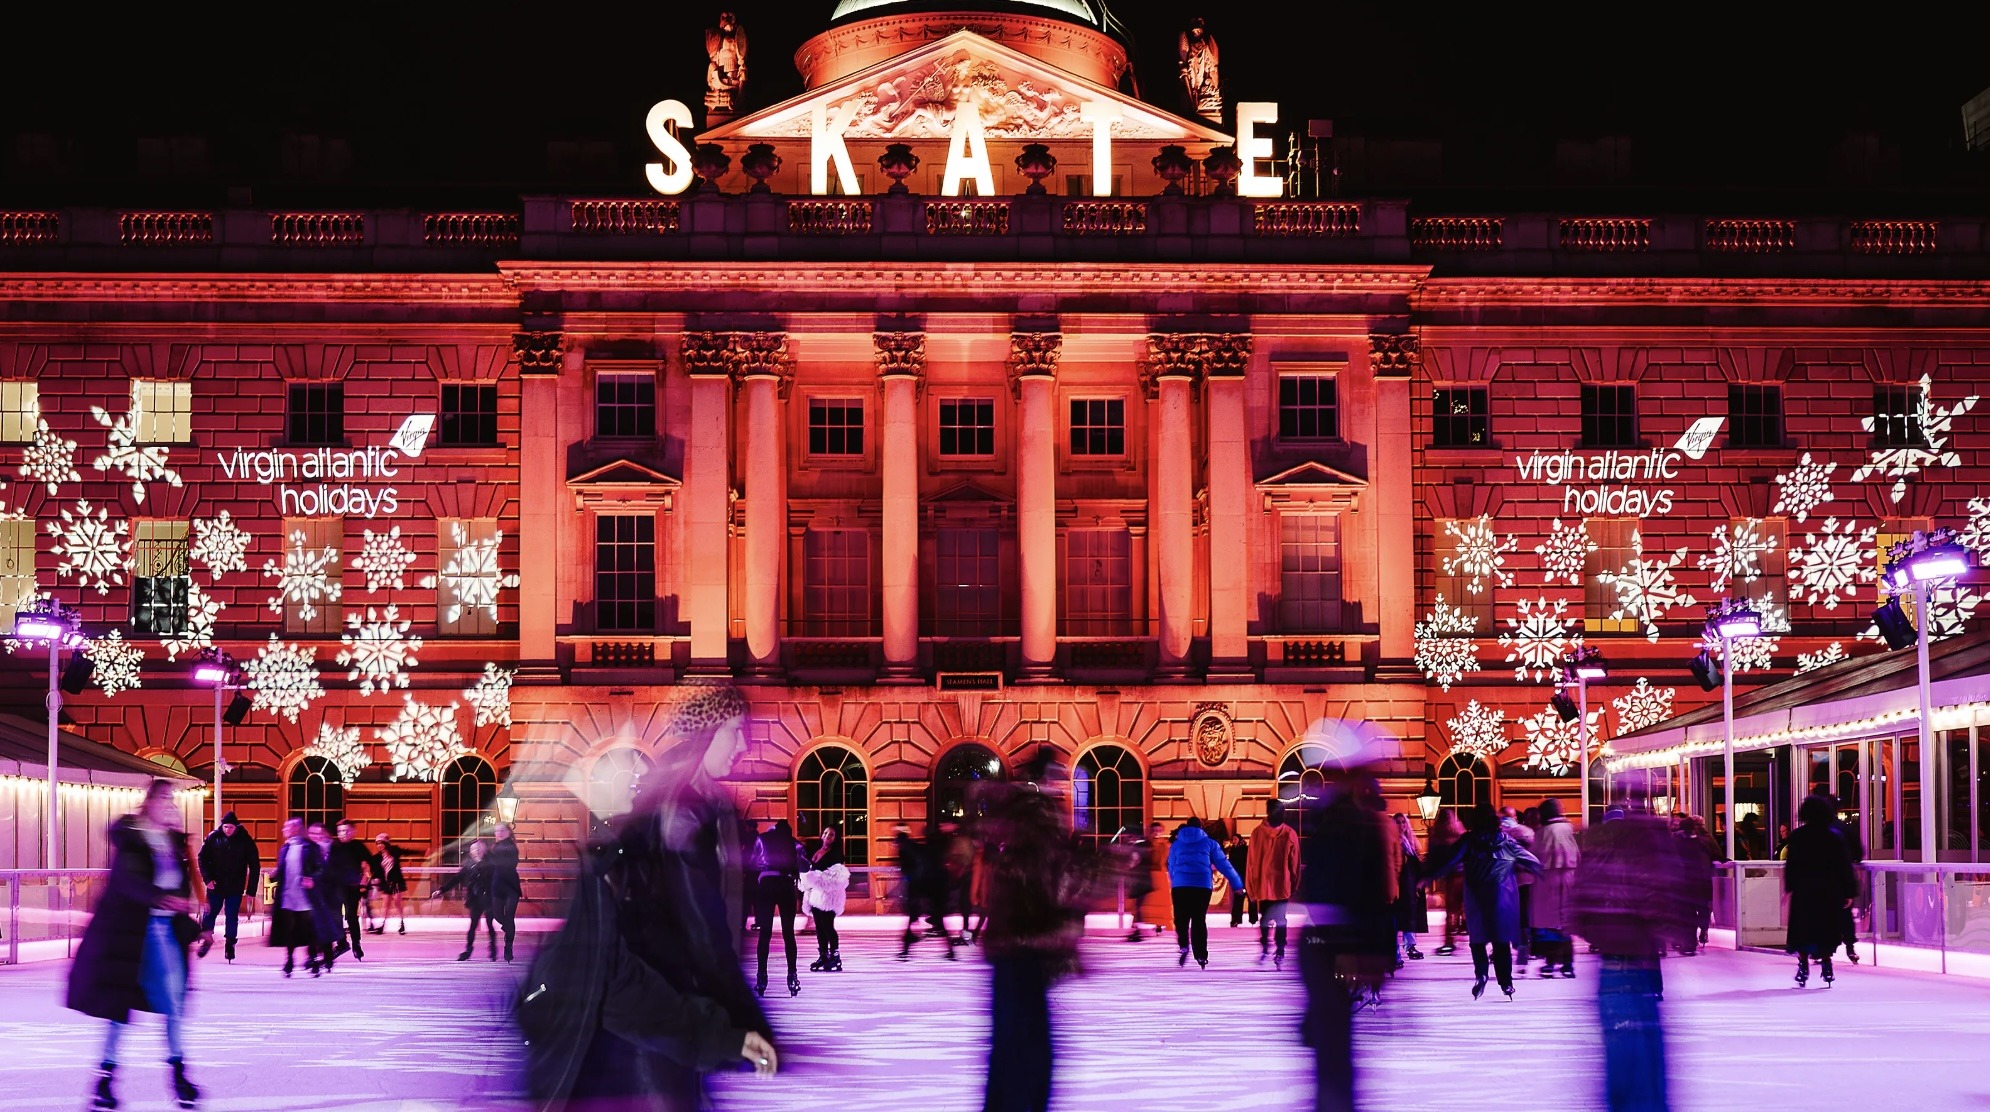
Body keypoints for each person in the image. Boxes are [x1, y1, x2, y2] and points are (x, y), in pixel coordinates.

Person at [518, 682, 779, 1110]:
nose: (744, 744)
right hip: (650, 1029)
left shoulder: (680, 804)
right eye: (735, 729)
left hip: (657, 1018)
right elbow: (703, 931)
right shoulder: (684, 811)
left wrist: (725, 1033)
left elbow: (636, 969)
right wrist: (740, 1022)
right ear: (706, 732)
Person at [67, 779, 203, 1111]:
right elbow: (128, 882)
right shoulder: (132, 837)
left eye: (174, 799)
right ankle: (104, 1081)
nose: (172, 804)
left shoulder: (171, 841)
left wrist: (190, 922)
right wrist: (162, 898)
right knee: (119, 1008)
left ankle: (179, 1076)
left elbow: (180, 888)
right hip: (131, 933)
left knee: (173, 1002)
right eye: (167, 798)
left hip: (164, 933)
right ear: (151, 801)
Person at [977, 747, 1089, 1112]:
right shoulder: (1036, 820)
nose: (1060, 785)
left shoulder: (1023, 820)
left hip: (1015, 949)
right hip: (1023, 949)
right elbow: (1048, 886)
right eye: (1056, 777)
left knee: (1016, 1050)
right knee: (1029, 1054)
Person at [1571, 787, 1691, 1112]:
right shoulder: (1649, 844)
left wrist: (1601, 931)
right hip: (1639, 959)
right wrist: (1664, 930)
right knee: (1644, 1055)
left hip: (1611, 963)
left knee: (1620, 1051)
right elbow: (1664, 897)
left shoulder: (1594, 846)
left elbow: (1577, 908)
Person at [1296, 773, 1394, 1112]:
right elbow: (1361, 892)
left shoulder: (1340, 820)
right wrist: (1362, 949)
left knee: (1333, 1042)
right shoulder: (1351, 822)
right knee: (1335, 1046)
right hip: (1334, 944)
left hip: (1326, 942)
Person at [1426, 802, 1541, 1000]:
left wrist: (1427, 878)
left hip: (1476, 896)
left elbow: (1450, 861)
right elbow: (1530, 859)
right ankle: (1506, 983)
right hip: (1501, 896)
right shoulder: (1506, 841)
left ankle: (1481, 975)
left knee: (1478, 940)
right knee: (1501, 941)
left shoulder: (1467, 841)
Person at [1784, 793, 1858, 987]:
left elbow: (1791, 864)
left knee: (1803, 927)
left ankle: (1803, 965)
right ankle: (1826, 963)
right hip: (1829, 889)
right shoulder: (1834, 837)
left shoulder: (1798, 836)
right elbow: (1844, 866)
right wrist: (1848, 891)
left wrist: (1789, 887)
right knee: (1825, 927)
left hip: (1804, 889)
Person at [1165, 816, 1244, 969]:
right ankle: (1201, 954)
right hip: (1202, 886)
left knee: (1181, 918)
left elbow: (1171, 865)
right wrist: (1237, 884)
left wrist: (1176, 880)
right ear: (1201, 828)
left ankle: (1183, 945)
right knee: (1198, 920)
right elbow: (1224, 865)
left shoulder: (1176, 844)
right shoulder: (1210, 843)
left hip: (1181, 886)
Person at [749, 818, 807, 996]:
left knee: (764, 933)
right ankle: (792, 975)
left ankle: (761, 976)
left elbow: (752, 861)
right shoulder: (794, 843)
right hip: (786, 884)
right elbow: (805, 865)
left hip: (767, 883)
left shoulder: (762, 838)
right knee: (788, 933)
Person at [268, 816, 331, 977]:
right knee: (290, 930)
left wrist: (312, 879)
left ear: (295, 828)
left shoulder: (310, 848)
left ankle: (314, 959)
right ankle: (289, 960)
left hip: (306, 897)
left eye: (286, 827)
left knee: (309, 930)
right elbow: (282, 870)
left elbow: (320, 869)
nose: (283, 830)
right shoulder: (285, 848)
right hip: (288, 896)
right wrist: (275, 875)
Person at [195, 811, 259, 963]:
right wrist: (207, 879)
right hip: (215, 885)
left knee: (232, 916)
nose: (227, 830)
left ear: (236, 827)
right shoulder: (213, 838)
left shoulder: (245, 841)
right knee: (209, 914)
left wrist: (251, 890)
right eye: (225, 827)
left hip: (235, 886)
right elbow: (202, 858)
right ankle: (207, 939)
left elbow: (255, 866)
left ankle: (230, 943)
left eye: (230, 827)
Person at [1529, 797, 1581, 977]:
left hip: (1548, 881)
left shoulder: (1543, 832)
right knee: (1564, 924)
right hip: (1568, 877)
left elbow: (1534, 857)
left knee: (1549, 925)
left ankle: (1551, 962)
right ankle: (1568, 964)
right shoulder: (1569, 829)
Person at [1248, 799, 1302, 969]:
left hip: (1263, 884)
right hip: (1282, 884)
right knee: (1280, 919)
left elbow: (1251, 862)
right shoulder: (1290, 833)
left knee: (1264, 919)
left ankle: (1265, 947)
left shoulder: (1257, 833)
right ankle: (1280, 950)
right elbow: (1295, 862)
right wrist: (1294, 883)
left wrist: (1251, 887)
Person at [895, 822, 957, 961]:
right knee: (939, 922)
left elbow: (911, 856)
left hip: (923, 887)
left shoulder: (921, 850)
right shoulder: (936, 851)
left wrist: (903, 840)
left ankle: (905, 950)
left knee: (913, 920)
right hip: (933, 889)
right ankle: (950, 951)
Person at [799, 825, 849, 972]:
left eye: (832, 834)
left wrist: (814, 878)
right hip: (815, 895)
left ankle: (835, 956)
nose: (828, 836)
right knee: (820, 928)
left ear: (836, 838)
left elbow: (834, 876)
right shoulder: (816, 851)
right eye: (826, 833)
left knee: (828, 926)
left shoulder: (836, 854)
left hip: (829, 896)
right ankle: (823, 955)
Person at [437, 839, 494, 961]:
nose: (475, 852)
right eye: (473, 849)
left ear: (483, 850)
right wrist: (441, 890)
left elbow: (494, 879)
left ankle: (493, 948)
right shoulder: (468, 865)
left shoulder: (490, 864)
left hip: (489, 898)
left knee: (489, 924)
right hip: (475, 899)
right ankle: (468, 949)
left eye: (478, 849)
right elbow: (456, 879)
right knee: (473, 925)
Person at [327, 819, 373, 961]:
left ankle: (356, 944)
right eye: (340, 831)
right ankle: (341, 942)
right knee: (334, 915)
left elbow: (371, 864)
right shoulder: (334, 846)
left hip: (352, 887)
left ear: (353, 832)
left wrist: (366, 881)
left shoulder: (358, 846)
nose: (343, 834)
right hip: (336, 887)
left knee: (351, 916)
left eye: (346, 831)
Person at [1672, 815, 1718, 954]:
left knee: (1686, 913)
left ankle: (1688, 942)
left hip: (1683, 882)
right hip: (1701, 881)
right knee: (1702, 908)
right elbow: (1715, 853)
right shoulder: (1702, 842)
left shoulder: (1675, 842)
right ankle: (1700, 933)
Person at [1501, 805, 1538, 966]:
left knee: (1506, 914)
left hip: (1506, 881)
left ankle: (1504, 948)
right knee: (1524, 914)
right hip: (1526, 879)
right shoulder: (1527, 832)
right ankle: (1524, 944)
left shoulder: (1500, 833)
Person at [1389, 812, 1427, 966]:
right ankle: (1395, 950)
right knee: (1394, 918)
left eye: (1403, 822)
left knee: (1410, 915)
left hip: (1409, 884)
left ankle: (1410, 945)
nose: (1401, 825)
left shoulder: (1410, 842)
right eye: (1398, 822)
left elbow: (1417, 863)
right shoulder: (1391, 841)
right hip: (1397, 885)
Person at [1427, 808, 1466, 955]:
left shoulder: (1438, 835)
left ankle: (1449, 940)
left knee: (1451, 909)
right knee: (1466, 908)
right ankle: (1473, 937)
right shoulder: (1460, 833)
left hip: (1451, 875)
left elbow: (1432, 858)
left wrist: (1429, 876)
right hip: (1465, 874)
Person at [488, 823, 523, 963]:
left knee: (509, 916)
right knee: (497, 914)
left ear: (508, 832)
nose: (499, 833)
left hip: (511, 886)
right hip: (498, 885)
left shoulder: (510, 846)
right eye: (497, 831)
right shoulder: (495, 847)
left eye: (502, 830)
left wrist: (489, 855)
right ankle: (508, 928)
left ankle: (508, 948)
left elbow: (507, 863)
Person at [367, 832, 411, 935]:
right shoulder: (377, 858)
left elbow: (407, 852)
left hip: (397, 882)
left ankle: (401, 923)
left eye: (381, 843)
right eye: (377, 843)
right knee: (385, 904)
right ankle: (382, 925)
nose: (379, 845)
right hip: (386, 883)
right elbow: (374, 871)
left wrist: (423, 853)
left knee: (397, 902)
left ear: (386, 843)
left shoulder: (394, 851)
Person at [1224, 831, 1254, 928]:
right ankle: (1235, 920)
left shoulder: (1246, 849)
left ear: (1240, 839)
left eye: (1235, 839)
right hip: (1238, 877)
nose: (1234, 841)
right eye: (1233, 839)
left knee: (1250, 898)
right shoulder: (1232, 850)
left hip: (1246, 876)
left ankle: (1252, 918)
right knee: (1238, 899)